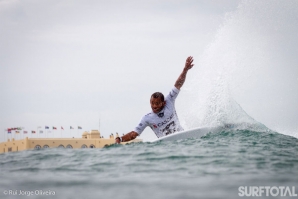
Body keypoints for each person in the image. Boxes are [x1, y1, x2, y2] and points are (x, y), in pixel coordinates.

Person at [115, 56, 194, 144]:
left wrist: (185, 70)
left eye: (157, 103)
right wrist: (120, 139)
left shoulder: (169, 101)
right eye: (152, 103)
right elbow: (134, 134)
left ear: (163, 103)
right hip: (166, 145)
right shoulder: (147, 118)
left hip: (182, 139)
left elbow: (178, 84)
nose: (154, 106)